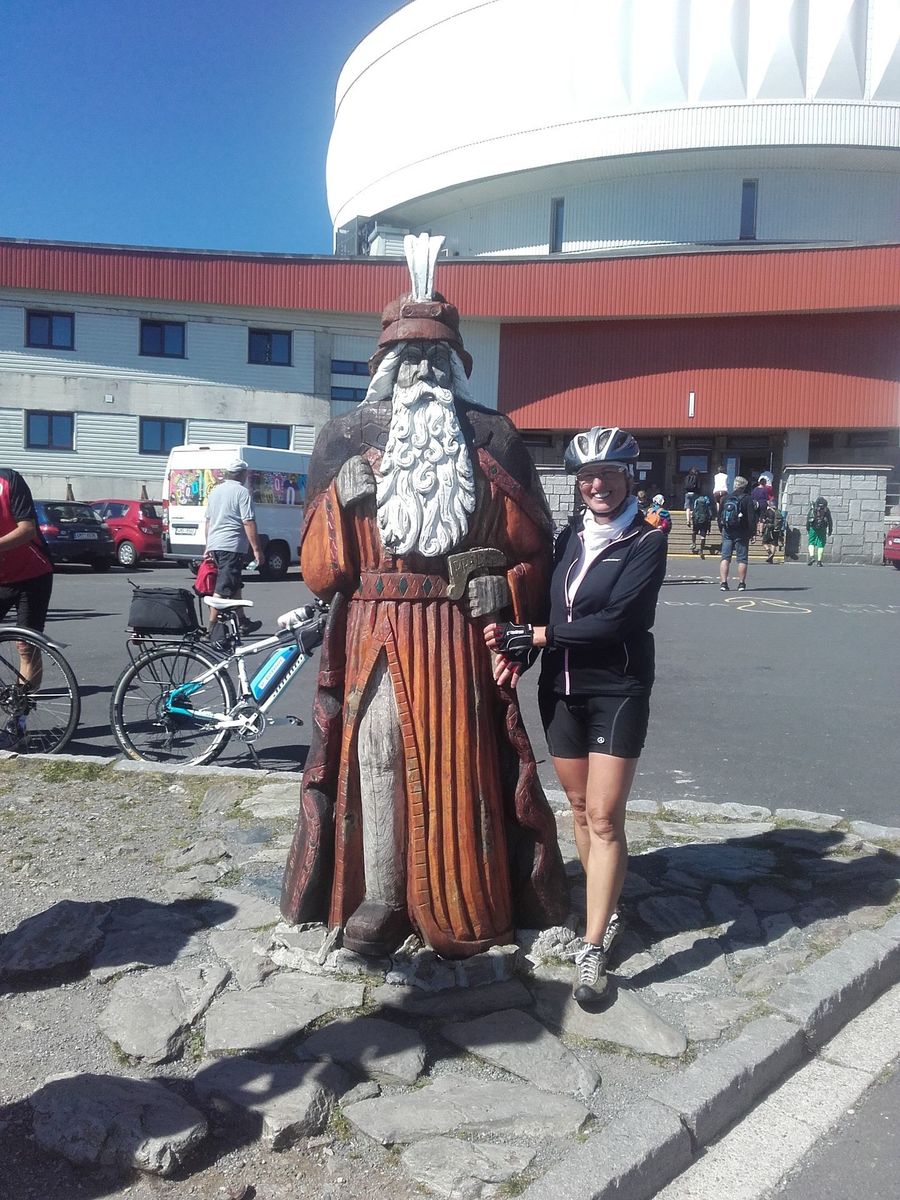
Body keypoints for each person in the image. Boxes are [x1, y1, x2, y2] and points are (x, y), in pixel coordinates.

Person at [280, 233, 568, 960]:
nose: (421, 371)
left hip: (455, 628)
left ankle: (466, 900)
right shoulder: (344, 437)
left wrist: (504, 587)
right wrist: (339, 504)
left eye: (435, 358)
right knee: (376, 749)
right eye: (408, 358)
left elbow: (533, 549)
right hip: (375, 620)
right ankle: (380, 893)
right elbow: (319, 572)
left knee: (462, 759)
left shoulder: (492, 437)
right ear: (385, 368)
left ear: (455, 366)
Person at [486, 426, 667, 1004]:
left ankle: (592, 947)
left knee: (606, 818)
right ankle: (602, 908)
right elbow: (546, 608)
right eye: (588, 477)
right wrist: (518, 653)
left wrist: (536, 635)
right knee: (581, 810)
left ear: (628, 478)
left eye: (609, 475)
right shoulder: (567, 538)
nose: (598, 485)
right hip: (561, 693)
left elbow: (617, 622)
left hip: (617, 691)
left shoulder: (646, 540)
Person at [0, 468, 55, 747]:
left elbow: (27, 529)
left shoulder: (9, 481)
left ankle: (19, 722)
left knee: (26, 646)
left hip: (33, 574)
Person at [204, 457, 264, 637]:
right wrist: (257, 549)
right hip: (231, 545)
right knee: (223, 588)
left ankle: (242, 622)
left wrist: (208, 546)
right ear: (242, 474)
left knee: (234, 583)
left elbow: (208, 521)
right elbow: (248, 521)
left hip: (216, 544)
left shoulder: (215, 491)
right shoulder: (242, 492)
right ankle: (211, 628)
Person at [718, 474, 756, 592]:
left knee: (725, 557)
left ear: (734, 486)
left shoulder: (725, 498)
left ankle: (724, 583)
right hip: (742, 531)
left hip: (727, 530)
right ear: (744, 487)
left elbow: (719, 516)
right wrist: (752, 533)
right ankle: (741, 584)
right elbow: (751, 518)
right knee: (742, 559)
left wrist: (722, 529)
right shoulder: (747, 499)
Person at [806, 496, 833, 566]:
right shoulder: (826, 510)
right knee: (821, 543)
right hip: (822, 527)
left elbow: (808, 518)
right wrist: (830, 530)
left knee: (811, 542)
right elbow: (830, 520)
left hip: (813, 527)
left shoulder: (813, 509)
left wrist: (808, 527)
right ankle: (819, 561)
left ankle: (812, 557)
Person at [691, 493, 714, 557]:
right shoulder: (706, 501)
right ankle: (701, 550)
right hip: (704, 521)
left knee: (694, 532)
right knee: (703, 536)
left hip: (697, 520)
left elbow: (694, 511)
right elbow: (710, 514)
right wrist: (709, 526)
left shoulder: (697, 500)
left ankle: (693, 543)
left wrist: (692, 519)